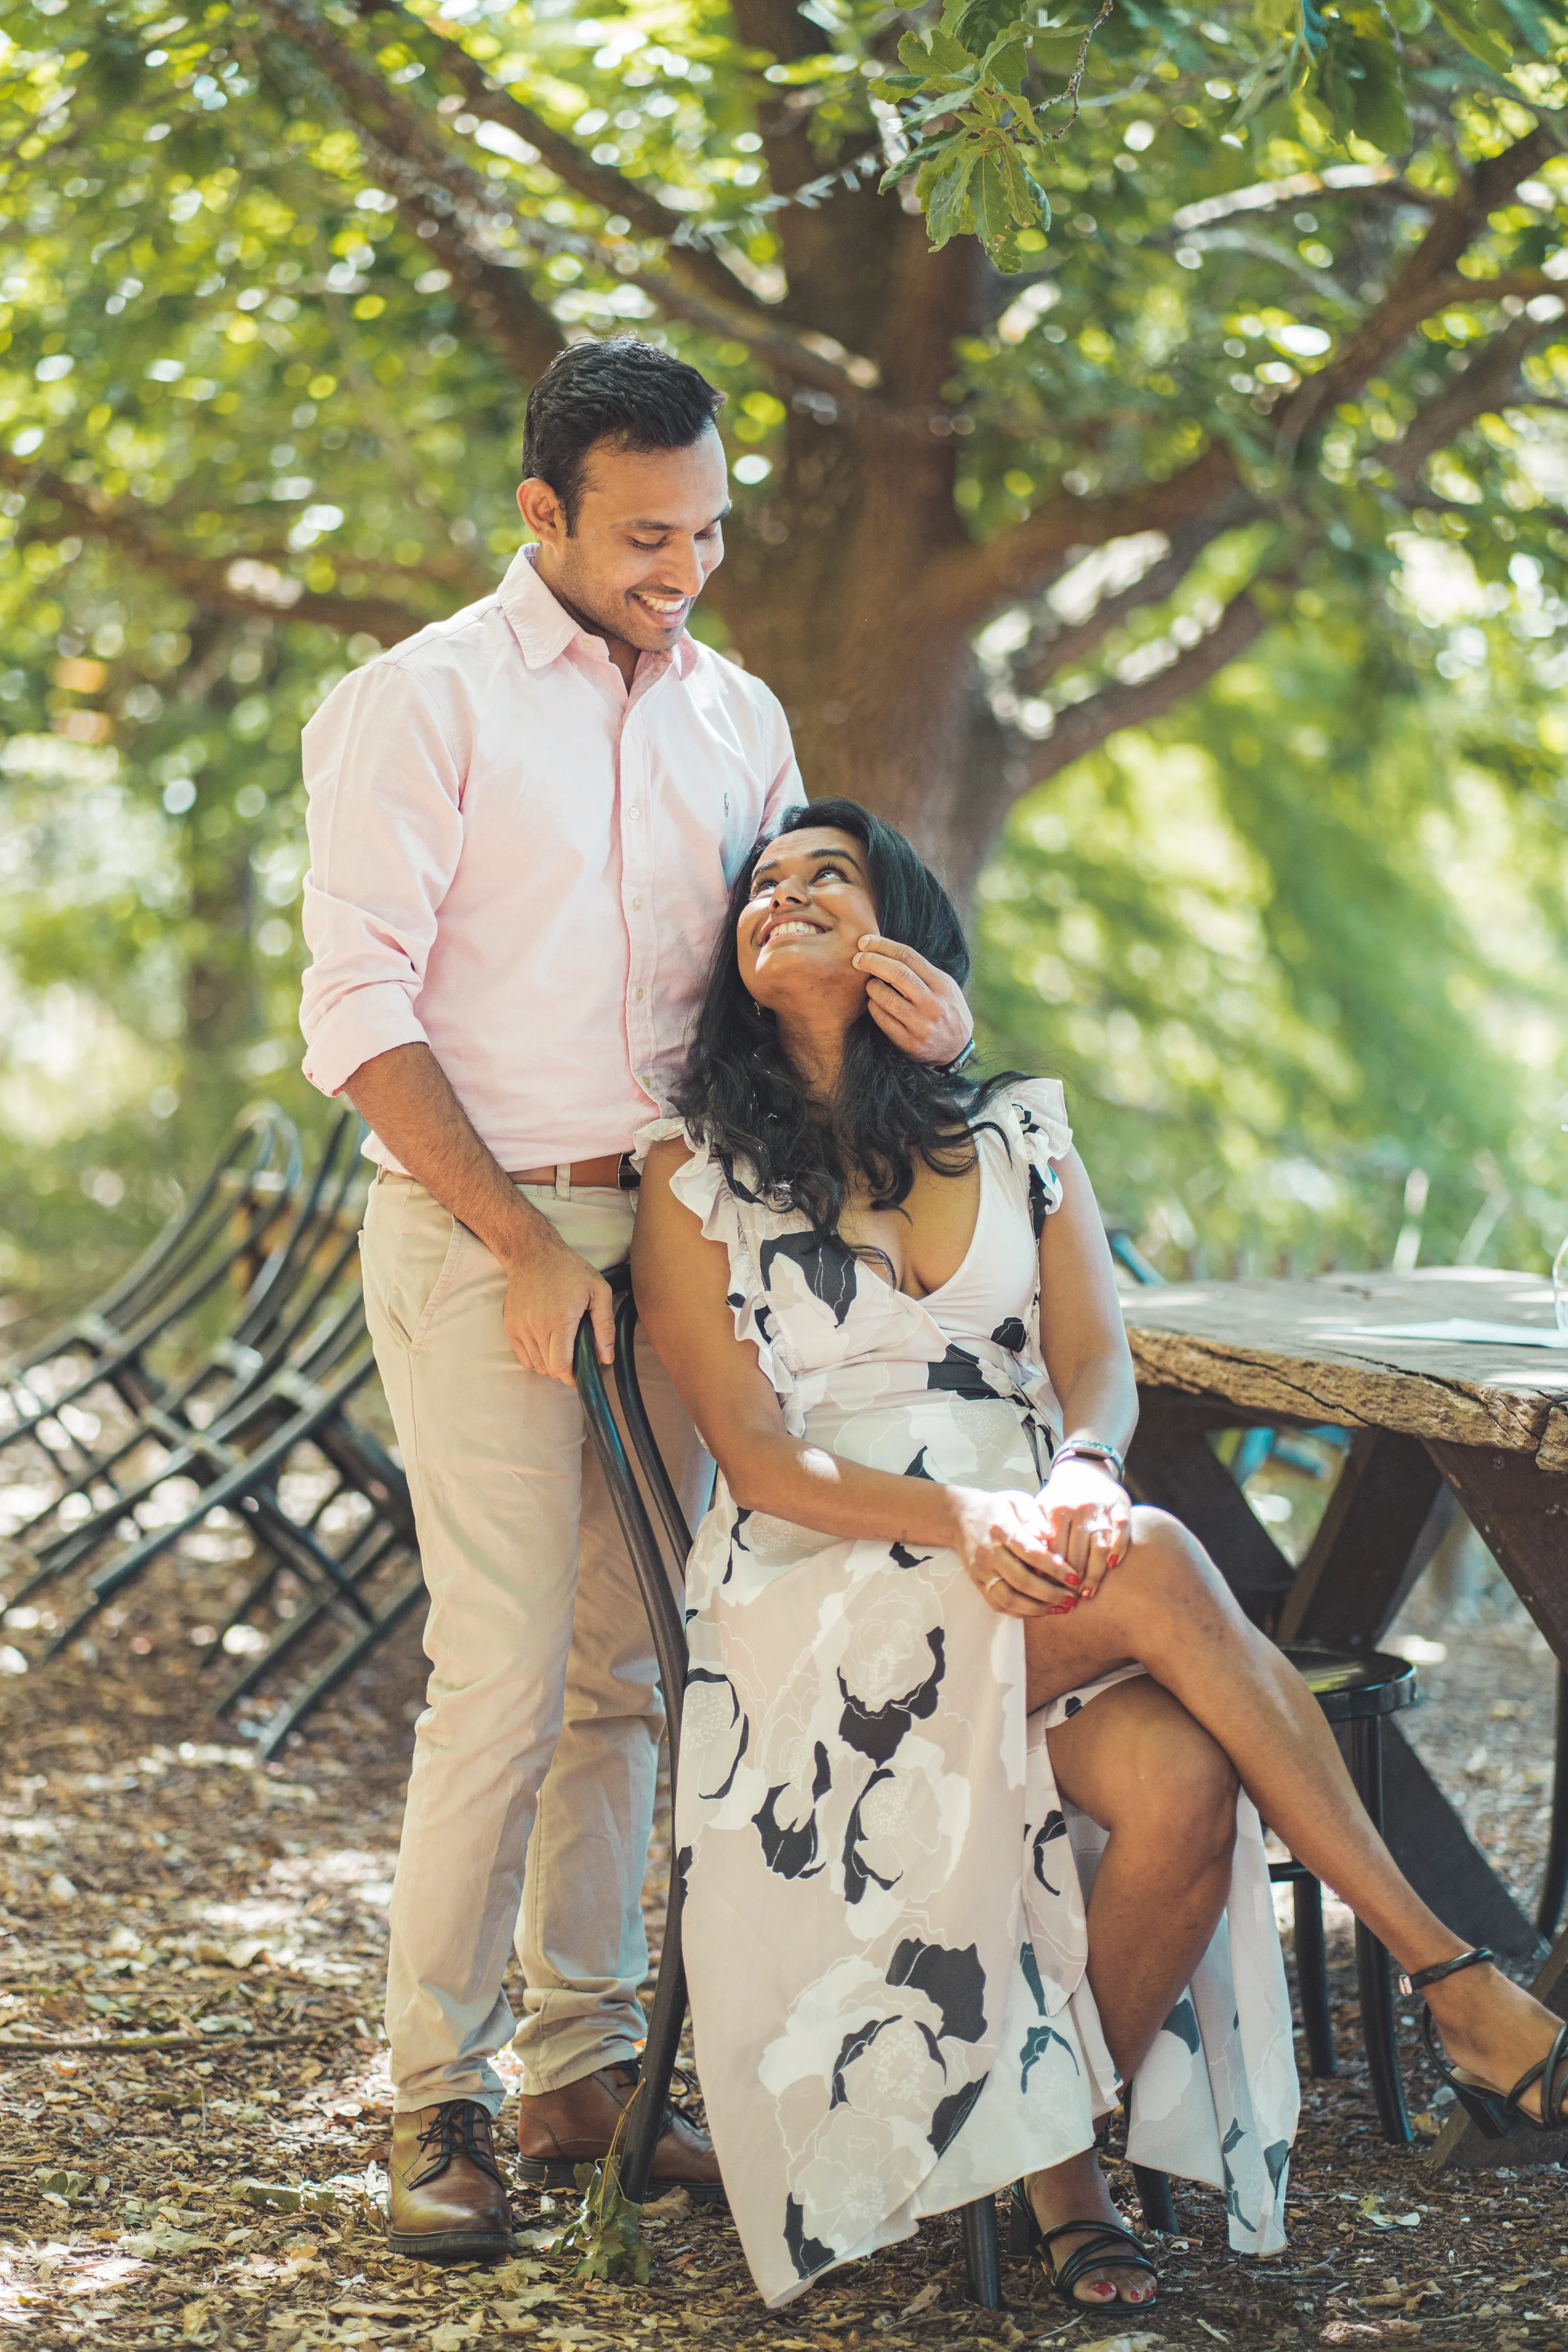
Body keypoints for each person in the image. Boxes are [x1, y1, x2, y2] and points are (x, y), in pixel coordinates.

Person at [632, 797, 1568, 2314]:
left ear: (901, 937)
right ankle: (1454, 1979)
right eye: (759, 884)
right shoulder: (688, 1171)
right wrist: (980, 1516)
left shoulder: (1012, 1127)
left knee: (1184, 1782)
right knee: (1156, 1559)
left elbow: (1096, 1364)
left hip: (1040, 1546)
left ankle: (1052, 2162)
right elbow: (755, 1457)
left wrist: (1070, 1466)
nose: (781, 894)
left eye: (826, 876)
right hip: (822, 1591)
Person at [297, 343, 973, 2262]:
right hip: (476, 1223)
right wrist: (521, 1241)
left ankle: (580, 2068)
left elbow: (769, 975)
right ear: (543, 516)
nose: (685, 565)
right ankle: (435, 2092)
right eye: (647, 535)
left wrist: (912, 998)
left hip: (680, 1223)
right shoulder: (415, 703)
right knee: (502, 1672)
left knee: (629, 1669)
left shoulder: (735, 716)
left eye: (710, 530)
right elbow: (357, 1007)